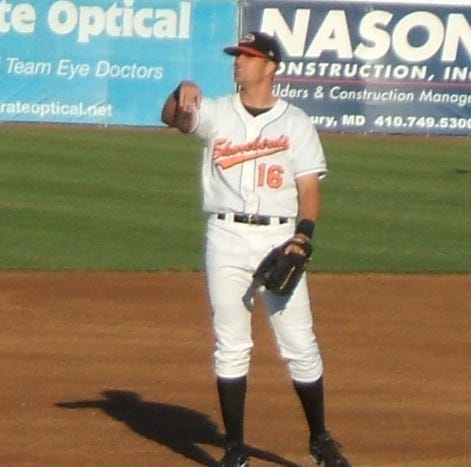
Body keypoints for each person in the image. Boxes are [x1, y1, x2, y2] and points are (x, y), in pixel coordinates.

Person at [161, 31, 352, 467]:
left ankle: (320, 438)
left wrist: (303, 236)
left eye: (247, 57)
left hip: (278, 238)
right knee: (231, 344)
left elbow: (308, 186)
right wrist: (179, 93)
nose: (238, 63)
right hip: (225, 238)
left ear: (270, 66)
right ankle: (235, 448)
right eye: (236, 56)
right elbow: (173, 116)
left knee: (300, 343)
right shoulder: (216, 113)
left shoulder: (295, 122)